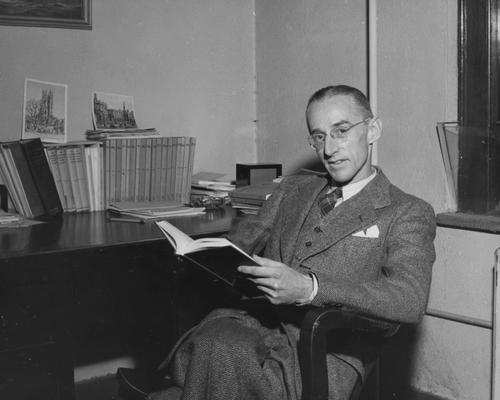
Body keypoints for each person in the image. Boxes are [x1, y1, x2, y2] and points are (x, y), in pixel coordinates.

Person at [148, 85, 436, 400]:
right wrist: (202, 254)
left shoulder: (407, 210)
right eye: (319, 136)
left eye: (340, 131)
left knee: (221, 357)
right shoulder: (292, 190)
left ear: (372, 130)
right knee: (215, 339)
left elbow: (409, 300)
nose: (329, 149)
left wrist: (309, 287)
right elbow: (241, 241)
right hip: (257, 325)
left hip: (323, 349)